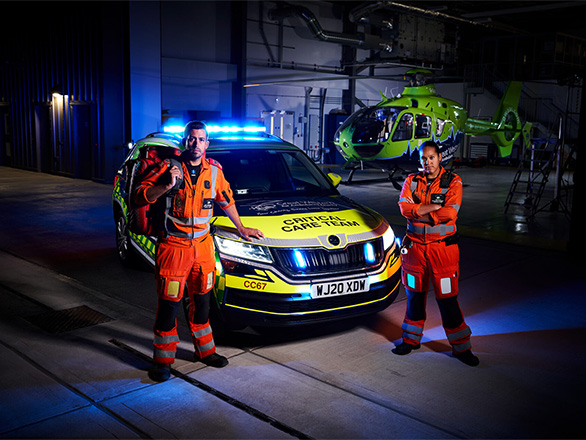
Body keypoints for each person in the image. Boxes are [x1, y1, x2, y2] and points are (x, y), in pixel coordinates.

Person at [135, 121, 264, 382]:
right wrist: (166, 186)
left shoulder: (214, 172)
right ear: (185, 141)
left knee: (203, 304)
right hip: (173, 247)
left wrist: (241, 228)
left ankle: (204, 352)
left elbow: (226, 200)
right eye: (191, 139)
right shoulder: (168, 168)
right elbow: (139, 196)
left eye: (201, 139)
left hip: (203, 248)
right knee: (169, 306)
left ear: (207, 143)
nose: (196, 144)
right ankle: (162, 361)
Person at [395, 141, 479, 366]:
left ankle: (462, 348)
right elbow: (404, 208)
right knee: (414, 296)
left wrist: (419, 212)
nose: (427, 162)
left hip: (442, 250)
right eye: (423, 158)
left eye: (431, 157)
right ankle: (411, 340)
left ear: (439, 157)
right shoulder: (412, 181)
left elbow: (450, 213)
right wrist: (431, 209)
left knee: (448, 299)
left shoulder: (453, 181)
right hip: (414, 250)